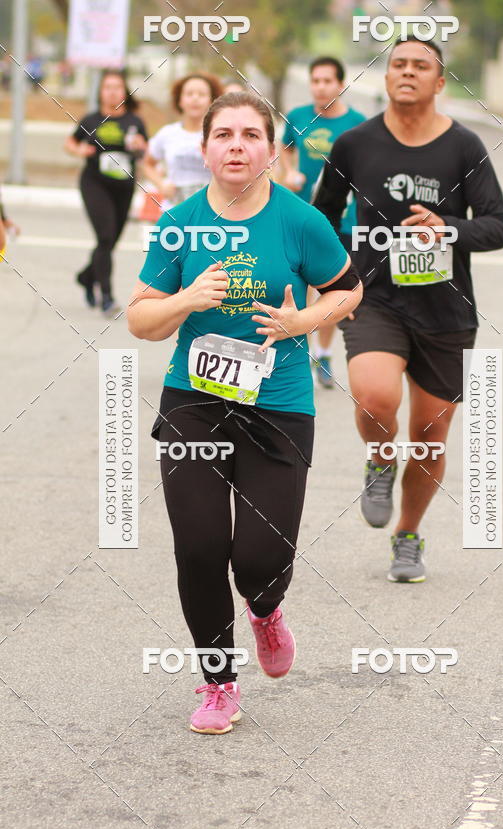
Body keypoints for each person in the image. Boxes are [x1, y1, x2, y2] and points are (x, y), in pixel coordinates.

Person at [128, 92, 362, 734]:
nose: (237, 145)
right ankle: (219, 684)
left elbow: (349, 291)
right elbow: (141, 320)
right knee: (199, 547)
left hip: (278, 406)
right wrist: (186, 299)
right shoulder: (179, 224)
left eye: (251, 135)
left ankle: (265, 610)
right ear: (203, 149)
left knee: (260, 561)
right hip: (194, 401)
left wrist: (300, 322)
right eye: (224, 134)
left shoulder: (300, 221)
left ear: (271, 150)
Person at [314, 36, 503, 583]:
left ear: (439, 81)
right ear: (386, 77)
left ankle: (408, 534)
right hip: (375, 298)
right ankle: (381, 457)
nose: (407, 72)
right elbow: (322, 217)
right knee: (376, 395)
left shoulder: (464, 147)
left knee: (428, 436)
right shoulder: (354, 144)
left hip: (446, 311)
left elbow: (497, 226)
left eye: (420, 66)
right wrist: (339, 279)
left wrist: (447, 227)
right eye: (398, 64)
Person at [280, 57, 365, 388]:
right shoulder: (298, 117)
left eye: (327, 81)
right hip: (299, 216)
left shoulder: (357, 124)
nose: (320, 87)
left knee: (330, 288)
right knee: (294, 285)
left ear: (341, 85)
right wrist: (289, 172)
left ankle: (324, 354)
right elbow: (285, 148)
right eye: (315, 81)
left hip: (340, 221)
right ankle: (296, 352)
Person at [65, 70, 147, 313]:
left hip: (123, 187)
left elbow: (145, 151)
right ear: (100, 92)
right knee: (105, 237)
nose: (112, 92)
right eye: (108, 87)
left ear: (125, 92)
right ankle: (107, 297)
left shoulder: (134, 121)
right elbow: (70, 142)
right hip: (95, 184)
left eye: (117, 87)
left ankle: (87, 277)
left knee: (110, 242)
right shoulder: (91, 120)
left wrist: (140, 146)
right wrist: (79, 151)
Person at [143, 72, 222, 211]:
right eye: (189, 94)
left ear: (211, 101)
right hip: (175, 209)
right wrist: (161, 184)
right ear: (180, 100)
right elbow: (147, 165)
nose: (195, 98)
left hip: (211, 209)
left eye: (202, 94)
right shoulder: (167, 133)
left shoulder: (221, 134)